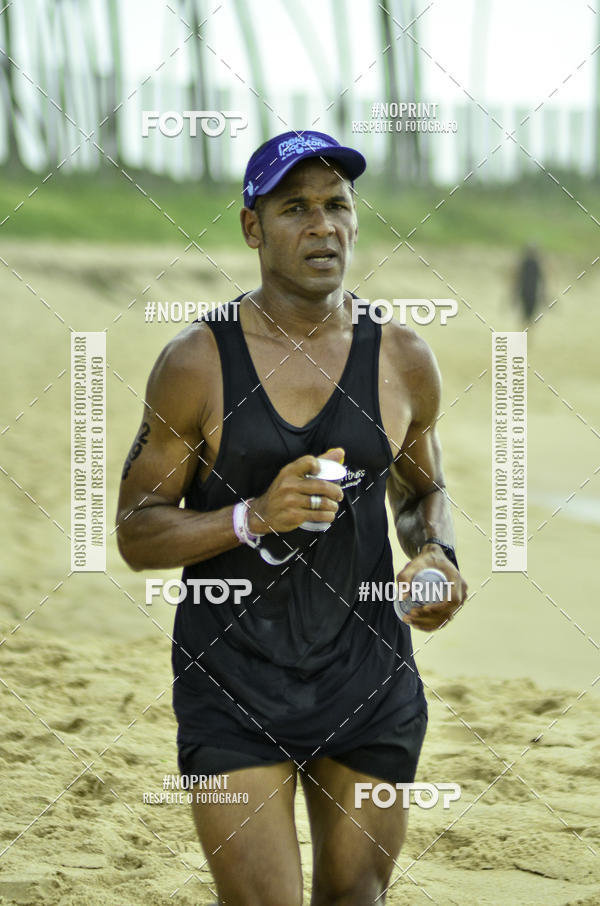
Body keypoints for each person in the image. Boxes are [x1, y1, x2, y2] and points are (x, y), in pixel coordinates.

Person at [116, 130, 467, 906]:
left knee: (356, 899)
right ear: (253, 227)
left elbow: (418, 493)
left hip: (370, 679)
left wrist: (436, 555)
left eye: (338, 205)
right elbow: (138, 530)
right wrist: (250, 517)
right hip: (231, 684)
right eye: (296, 208)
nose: (323, 225)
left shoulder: (403, 357)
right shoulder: (196, 362)